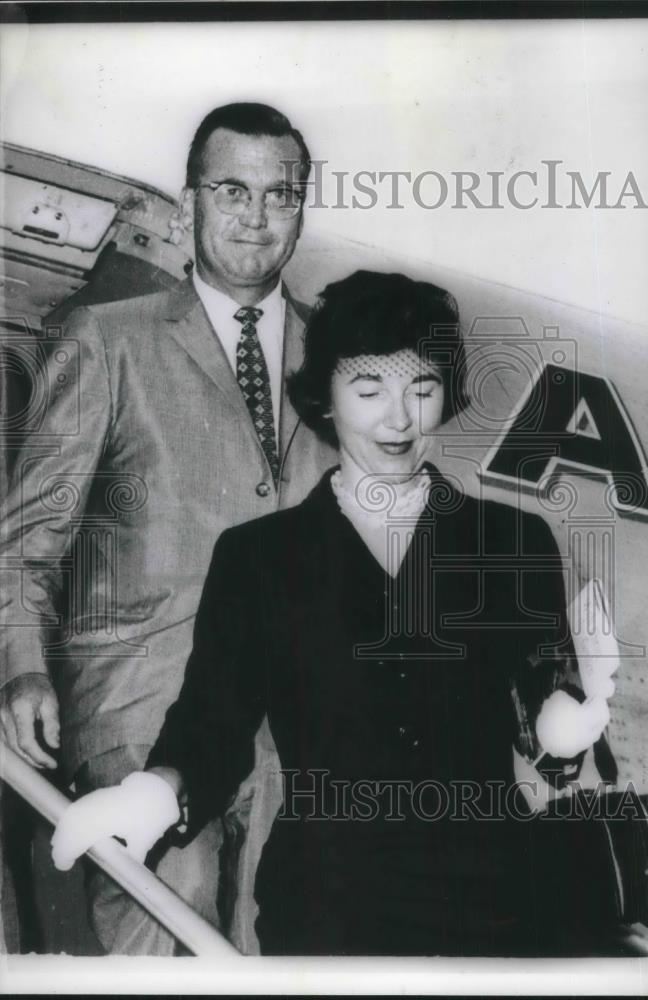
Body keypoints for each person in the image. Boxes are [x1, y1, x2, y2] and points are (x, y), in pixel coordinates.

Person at [51, 270, 616, 956]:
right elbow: (212, 722)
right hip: (330, 907)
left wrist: (565, 730)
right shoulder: (259, 557)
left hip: (495, 906)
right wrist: (156, 793)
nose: (399, 418)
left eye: (423, 387)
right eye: (370, 388)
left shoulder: (513, 540)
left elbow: (545, 719)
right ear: (325, 395)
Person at [0, 102, 334, 955]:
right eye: (232, 190)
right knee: (166, 938)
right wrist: (22, 671)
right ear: (189, 207)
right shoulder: (105, 341)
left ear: (302, 205)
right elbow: (28, 540)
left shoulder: (339, 366)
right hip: (145, 711)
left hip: (294, 729)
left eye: (279, 193)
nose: (256, 215)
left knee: (275, 946)